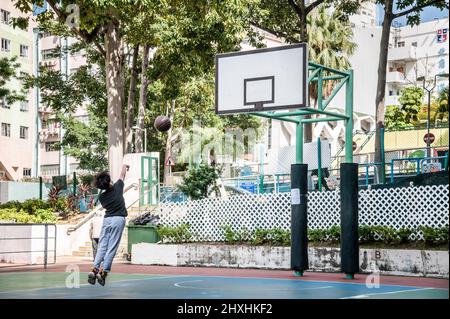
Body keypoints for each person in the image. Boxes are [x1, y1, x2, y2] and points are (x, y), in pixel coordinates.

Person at [88, 164, 129, 286]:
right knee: (112, 247)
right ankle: (104, 271)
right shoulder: (118, 187)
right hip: (118, 219)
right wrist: (124, 166)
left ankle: (94, 269)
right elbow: (122, 175)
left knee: (102, 246)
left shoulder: (102, 197)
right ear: (109, 180)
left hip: (107, 220)